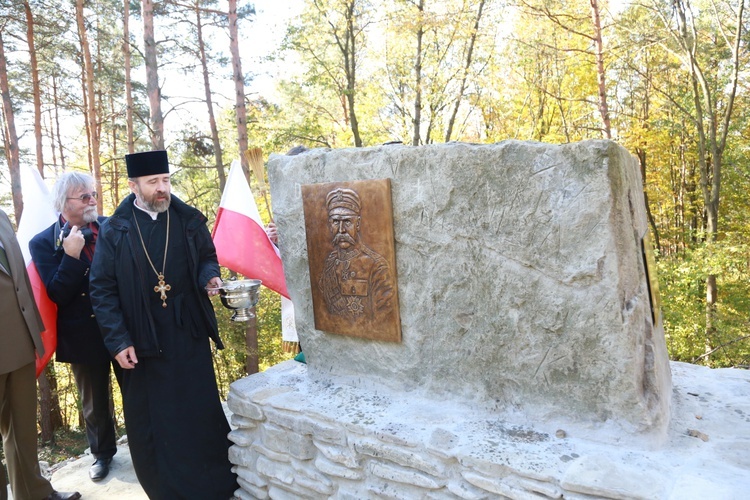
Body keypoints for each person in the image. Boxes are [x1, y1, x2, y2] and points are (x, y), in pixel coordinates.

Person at [88, 150, 237, 499]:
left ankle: (214, 484)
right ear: (133, 186)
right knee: (156, 418)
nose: (162, 189)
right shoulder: (116, 230)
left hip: (188, 330)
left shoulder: (188, 220)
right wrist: (118, 340)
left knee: (197, 409)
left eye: (166, 181)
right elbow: (102, 288)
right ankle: (167, 490)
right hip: (142, 337)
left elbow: (206, 258)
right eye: (153, 182)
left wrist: (209, 278)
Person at [29, 172, 122, 482]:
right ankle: (102, 455)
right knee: (94, 402)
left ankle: (148, 446)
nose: (92, 200)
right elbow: (57, 293)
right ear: (63, 204)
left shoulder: (113, 227)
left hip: (122, 328)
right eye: (84, 197)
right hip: (81, 333)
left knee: (138, 391)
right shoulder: (42, 242)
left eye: (93, 194)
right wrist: (70, 255)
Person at [0, 208, 81, 500]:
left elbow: (18, 277)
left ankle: (35, 493)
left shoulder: (1, 216)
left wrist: (34, 331)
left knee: (22, 430)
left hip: (19, 341)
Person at [319, 187, 395, 319]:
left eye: (347, 222)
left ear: (358, 223)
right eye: (336, 222)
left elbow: (384, 319)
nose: (341, 230)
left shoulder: (376, 266)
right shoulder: (329, 263)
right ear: (330, 224)